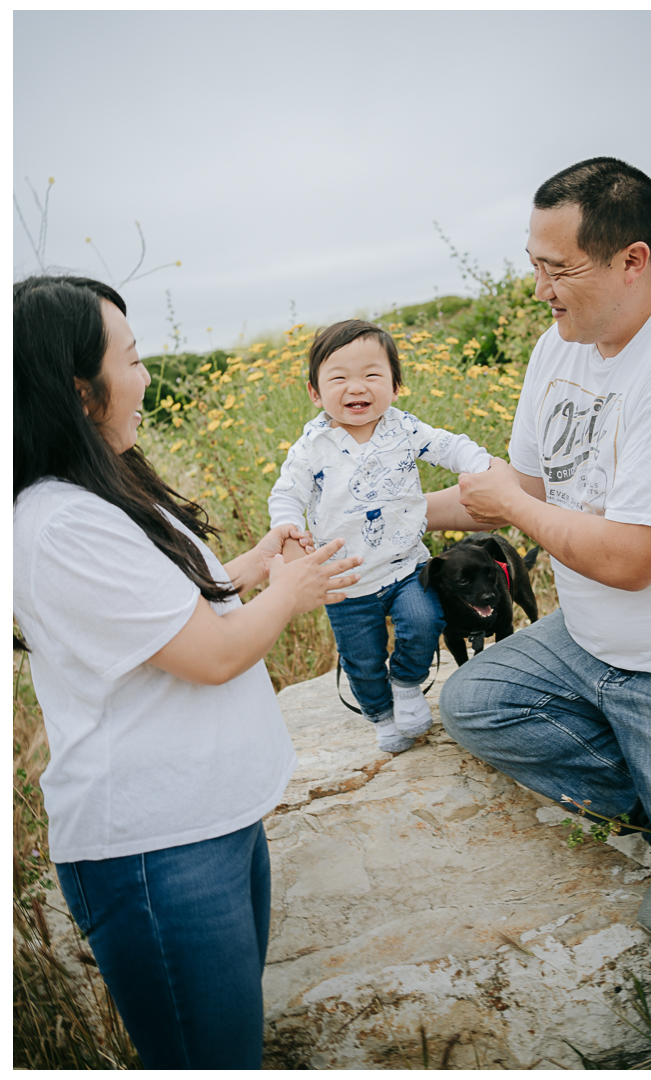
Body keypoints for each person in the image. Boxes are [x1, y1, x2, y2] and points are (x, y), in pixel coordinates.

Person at [13, 275, 362, 1069]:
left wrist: (247, 567)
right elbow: (212, 654)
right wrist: (291, 592)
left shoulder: (104, 487)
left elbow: (167, 613)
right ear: (79, 391)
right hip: (155, 852)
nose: (144, 375)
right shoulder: (59, 522)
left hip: (213, 821)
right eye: (130, 359)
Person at [435, 158, 651, 942]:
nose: (540, 287)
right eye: (534, 264)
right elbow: (522, 482)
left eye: (560, 269)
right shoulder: (563, 342)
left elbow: (629, 560)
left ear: (634, 260)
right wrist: (386, 510)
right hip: (586, 637)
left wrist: (514, 506)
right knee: (475, 704)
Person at [268, 319, 491, 752]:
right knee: (363, 660)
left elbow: (447, 446)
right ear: (315, 392)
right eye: (339, 378)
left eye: (372, 375)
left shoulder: (402, 428)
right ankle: (381, 715)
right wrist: (286, 525)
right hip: (346, 579)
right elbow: (286, 494)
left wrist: (478, 463)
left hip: (407, 563)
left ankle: (407, 684)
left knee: (426, 621)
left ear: (394, 384)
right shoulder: (312, 446)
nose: (357, 387)